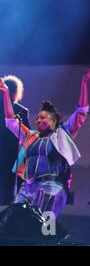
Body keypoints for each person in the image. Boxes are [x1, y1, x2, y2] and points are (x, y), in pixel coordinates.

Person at [0, 69, 90, 217]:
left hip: (52, 188)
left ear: (53, 120)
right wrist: (6, 94)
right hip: (28, 188)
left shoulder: (62, 134)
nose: (39, 120)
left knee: (44, 229)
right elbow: (11, 120)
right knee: (16, 223)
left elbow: (81, 112)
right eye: (37, 118)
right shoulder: (30, 136)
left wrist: (84, 84)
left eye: (43, 117)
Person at [0, 75, 30, 205]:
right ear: (17, 92)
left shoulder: (20, 111)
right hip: (13, 155)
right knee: (9, 191)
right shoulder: (21, 110)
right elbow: (27, 135)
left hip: (10, 154)